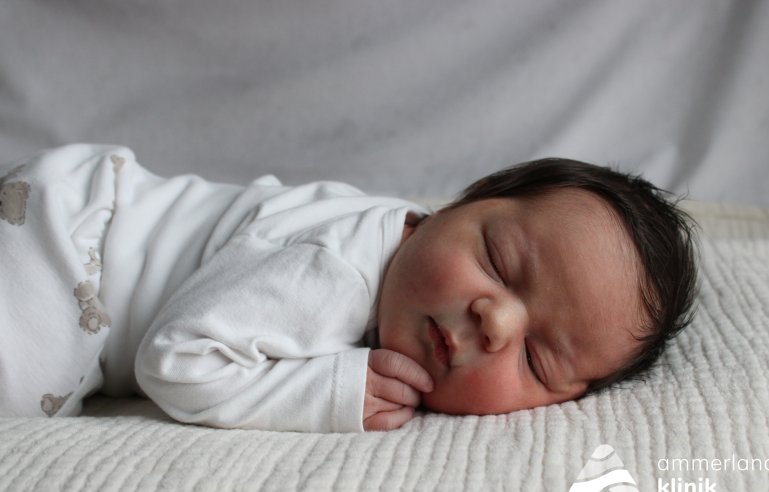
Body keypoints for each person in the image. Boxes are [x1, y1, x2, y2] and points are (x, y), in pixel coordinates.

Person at [0, 144, 697, 431]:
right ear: (468, 199)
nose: (496, 323)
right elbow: (175, 361)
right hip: (66, 243)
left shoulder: (409, 250)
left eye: (537, 360)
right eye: (498, 261)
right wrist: (330, 393)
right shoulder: (336, 272)